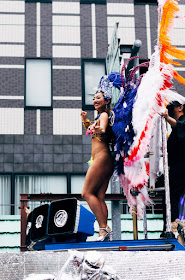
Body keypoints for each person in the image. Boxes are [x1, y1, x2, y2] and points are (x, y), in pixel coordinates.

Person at [80, 73, 121, 241]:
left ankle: (103, 229)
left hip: (101, 158)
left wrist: (95, 128)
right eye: (94, 98)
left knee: (86, 193)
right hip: (104, 160)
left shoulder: (104, 115)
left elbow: (102, 129)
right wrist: (86, 121)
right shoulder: (99, 116)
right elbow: (95, 129)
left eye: (99, 98)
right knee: (99, 196)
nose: (95, 100)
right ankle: (105, 230)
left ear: (107, 101)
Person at [161, 101, 185, 234]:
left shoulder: (182, 121)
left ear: (180, 107)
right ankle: (171, 225)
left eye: (172, 106)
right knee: (170, 195)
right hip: (176, 167)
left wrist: (167, 118)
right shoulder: (174, 126)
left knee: (173, 196)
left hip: (181, 166)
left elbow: (181, 127)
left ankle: (174, 225)